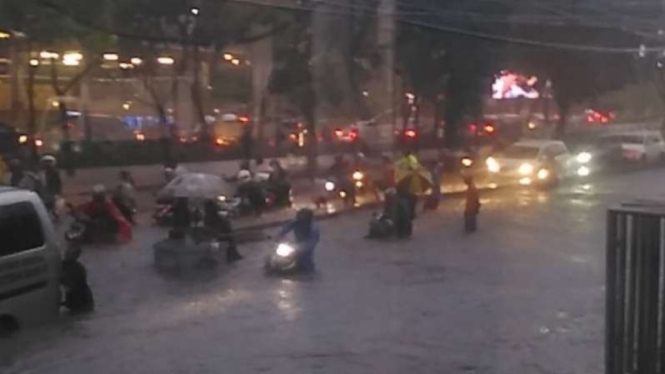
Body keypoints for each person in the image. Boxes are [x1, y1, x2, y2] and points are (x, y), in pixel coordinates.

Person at [275, 209, 320, 273]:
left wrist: (302, 247)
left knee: (305, 260)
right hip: (297, 243)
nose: (300, 219)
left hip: (306, 247)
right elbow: (285, 229)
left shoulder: (314, 228)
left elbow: (312, 242)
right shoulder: (295, 222)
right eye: (299, 217)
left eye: (302, 218)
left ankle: (309, 272)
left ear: (308, 219)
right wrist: (278, 237)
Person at [61, 246, 94, 314]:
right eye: (67, 252)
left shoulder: (78, 269)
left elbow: (71, 286)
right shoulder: (62, 265)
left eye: (70, 253)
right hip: (76, 300)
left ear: (76, 256)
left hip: (83, 302)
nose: (67, 254)